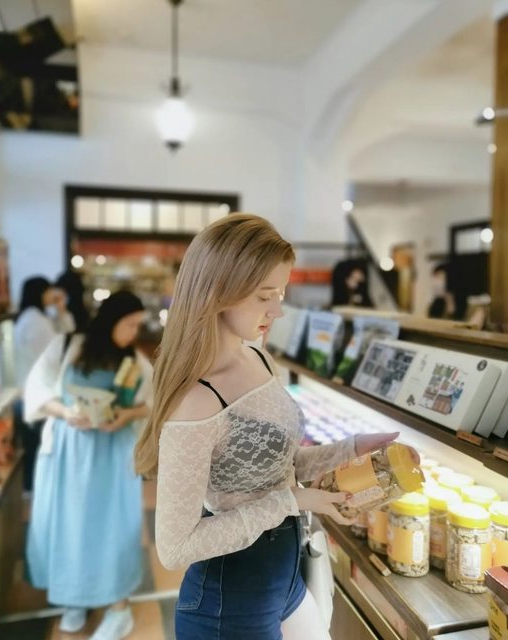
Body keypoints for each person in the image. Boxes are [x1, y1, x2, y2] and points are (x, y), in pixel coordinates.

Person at [135, 214, 399, 640]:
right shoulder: (197, 400)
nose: (277, 310)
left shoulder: (258, 357)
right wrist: (291, 501)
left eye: (281, 293)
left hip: (283, 578)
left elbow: (281, 463)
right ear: (219, 291)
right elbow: (175, 547)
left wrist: (351, 449)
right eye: (265, 296)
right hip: (229, 604)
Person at [25, 291, 153, 639]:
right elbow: (37, 390)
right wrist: (66, 412)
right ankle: (74, 597)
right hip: (68, 451)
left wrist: (126, 415)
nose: (133, 333)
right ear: (111, 320)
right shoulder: (68, 345)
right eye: (130, 325)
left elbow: (152, 402)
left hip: (112, 453)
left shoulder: (132, 360)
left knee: (111, 525)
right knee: (69, 523)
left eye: (137, 326)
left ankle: (119, 608)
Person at [14, 276, 72, 490]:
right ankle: (35, 491)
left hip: (31, 392)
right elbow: (60, 349)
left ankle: (34, 490)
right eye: (49, 291)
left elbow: (66, 335)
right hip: (36, 394)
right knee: (37, 449)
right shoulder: (35, 321)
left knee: (35, 448)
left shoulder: (37, 318)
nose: (52, 294)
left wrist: (61, 311)